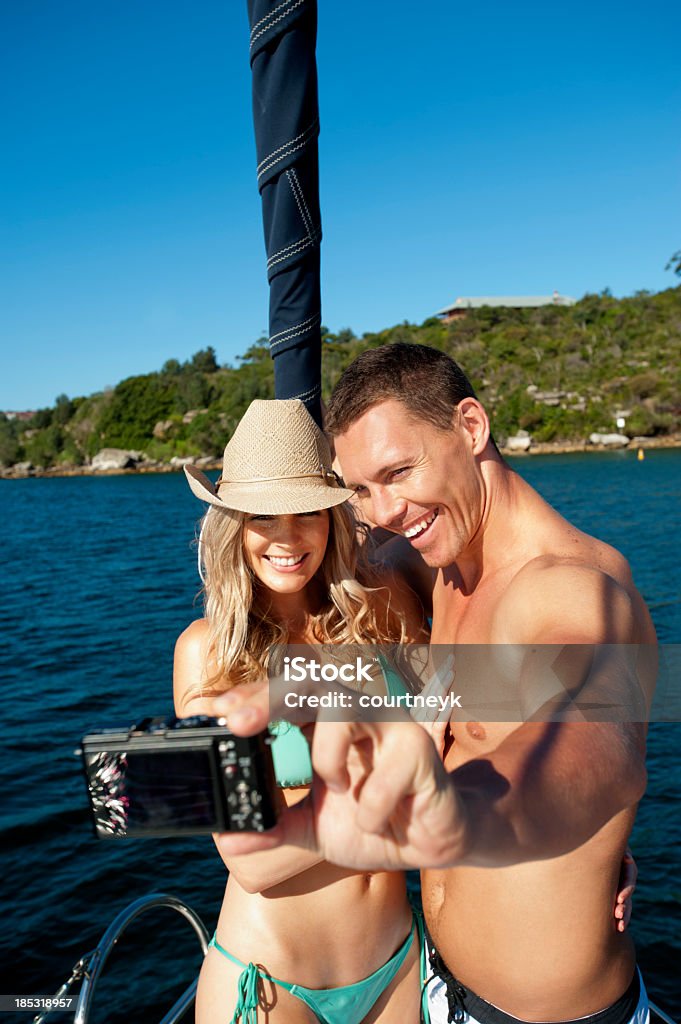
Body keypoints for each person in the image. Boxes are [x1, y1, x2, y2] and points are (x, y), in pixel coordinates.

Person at [210, 344, 655, 1024]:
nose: (383, 510)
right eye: (361, 489)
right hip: (432, 988)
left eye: (398, 471)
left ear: (470, 428)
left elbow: (598, 746)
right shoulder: (430, 562)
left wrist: (448, 813)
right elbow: (310, 557)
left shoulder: (573, 590)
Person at [174, 397, 429, 1024]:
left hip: (398, 965)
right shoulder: (208, 652)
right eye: (263, 516)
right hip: (270, 986)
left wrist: (584, 859)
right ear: (233, 524)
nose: (286, 538)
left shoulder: (382, 604)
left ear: (332, 518)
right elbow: (250, 859)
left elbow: (463, 729)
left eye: (305, 513)